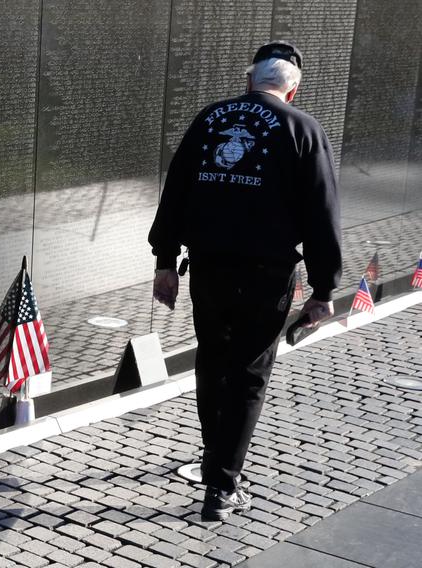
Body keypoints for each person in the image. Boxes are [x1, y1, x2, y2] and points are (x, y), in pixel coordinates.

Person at [148, 41, 342, 521]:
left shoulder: (210, 119)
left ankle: (216, 460)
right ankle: (222, 485)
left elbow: (175, 191)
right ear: (291, 90)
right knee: (249, 374)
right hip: (266, 274)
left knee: (212, 364)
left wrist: (165, 260)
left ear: (249, 81)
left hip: (208, 269)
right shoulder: (303, 129)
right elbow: (322, 214)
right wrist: (323, 289)